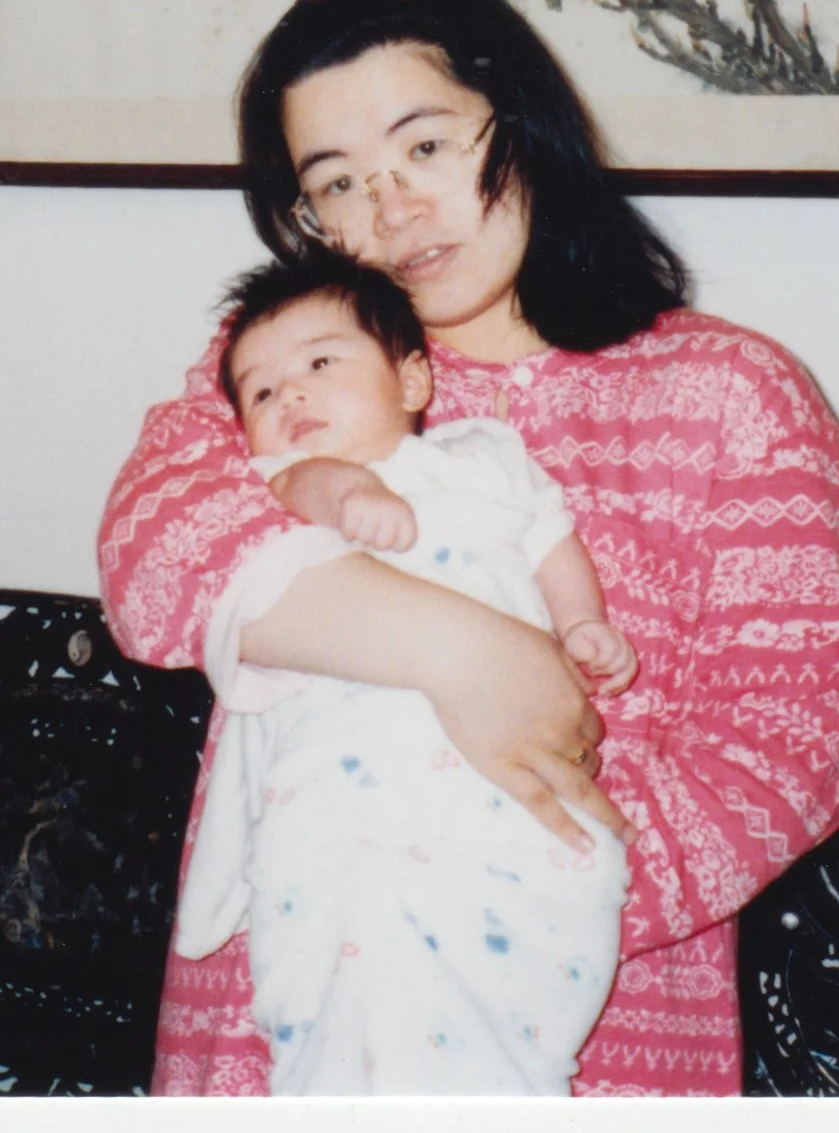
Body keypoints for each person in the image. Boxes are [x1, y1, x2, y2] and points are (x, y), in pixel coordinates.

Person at [98, 0, 839, 1096]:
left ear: (520, 120)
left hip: (591, 1010)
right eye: (338, 181)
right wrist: (462, 652)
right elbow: (155, 564)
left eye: (424, 146)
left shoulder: (734, 397)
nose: (392, 208)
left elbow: (787, 747)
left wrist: (492, 882)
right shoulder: (294, 375)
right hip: (281, 1010)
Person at [177, 253, 637, 1093]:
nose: (293, 397)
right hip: (350, 779)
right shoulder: (285, 482)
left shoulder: (488, 458)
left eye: (320, 363)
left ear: (415, 379)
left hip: (495, 786)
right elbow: (302, 484)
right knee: (359, 960)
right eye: (262, 392)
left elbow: (549, 540)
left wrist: (581, 625)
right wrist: (349, 493)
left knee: (539, 927)